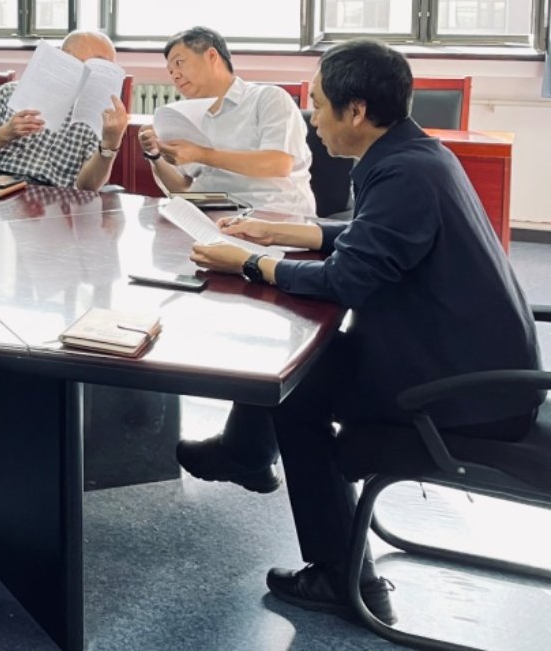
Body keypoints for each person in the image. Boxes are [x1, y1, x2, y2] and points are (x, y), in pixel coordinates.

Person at [188, 40, 540, 626]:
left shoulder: (402, 173)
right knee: (299, 358)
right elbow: (378, 233)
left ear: (355, 111)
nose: (312, 118)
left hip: (465, 392)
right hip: (470, 358)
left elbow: (347, 280)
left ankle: (343, 578)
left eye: (319, 104)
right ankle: (244, 453)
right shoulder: (415, 154)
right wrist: (290, 233)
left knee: (297, 392)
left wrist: (250, 263)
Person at [138, 26, 314, 215]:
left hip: (273, 214)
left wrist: (202, 155)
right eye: (170, 71)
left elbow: (279, 164)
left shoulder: (268, 98)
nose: (175, 75)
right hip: (212, 216)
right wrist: (155, 154)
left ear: (211, 56)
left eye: (179, 63)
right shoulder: (185, 117)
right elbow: (183, 189)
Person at [0, 30, 127, 191]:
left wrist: (110, 144)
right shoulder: (10, 92)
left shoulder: (96, 113)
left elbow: (88, 187)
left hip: (51, 193)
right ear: (64, 58)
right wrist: (7, 132)